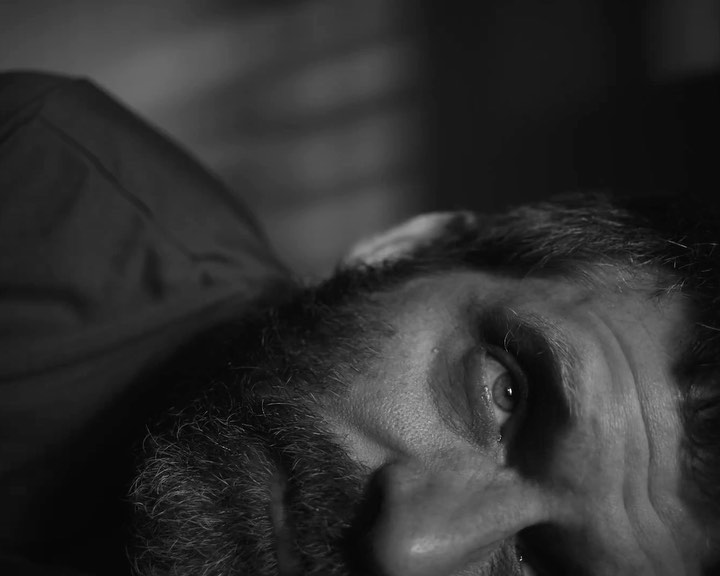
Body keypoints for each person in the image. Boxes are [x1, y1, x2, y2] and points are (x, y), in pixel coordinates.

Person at [1, 73, 718, 576]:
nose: (407, 550)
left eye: (539, 566)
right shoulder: (35, 185)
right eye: (504, 393)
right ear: (404, 250)